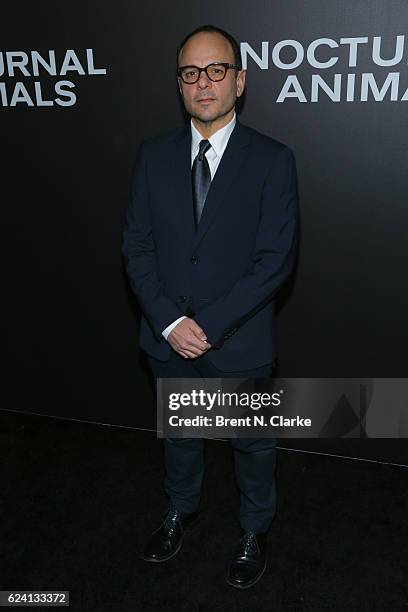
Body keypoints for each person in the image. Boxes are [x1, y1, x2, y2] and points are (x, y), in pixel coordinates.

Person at [121, 24, 299, 589]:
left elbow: (275, 259)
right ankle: (180, 511)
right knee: (180, 437)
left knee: (251, 445)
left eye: (217, 70)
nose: (204, 83)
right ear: (179, 86)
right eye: (191, 73)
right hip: (167, 337)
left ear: (239, 81)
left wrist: (210, 325)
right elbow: (137, 246)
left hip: (239, 339)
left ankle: (254, 529)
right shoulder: (153, 156)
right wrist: (171, 323)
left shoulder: (273, 159)